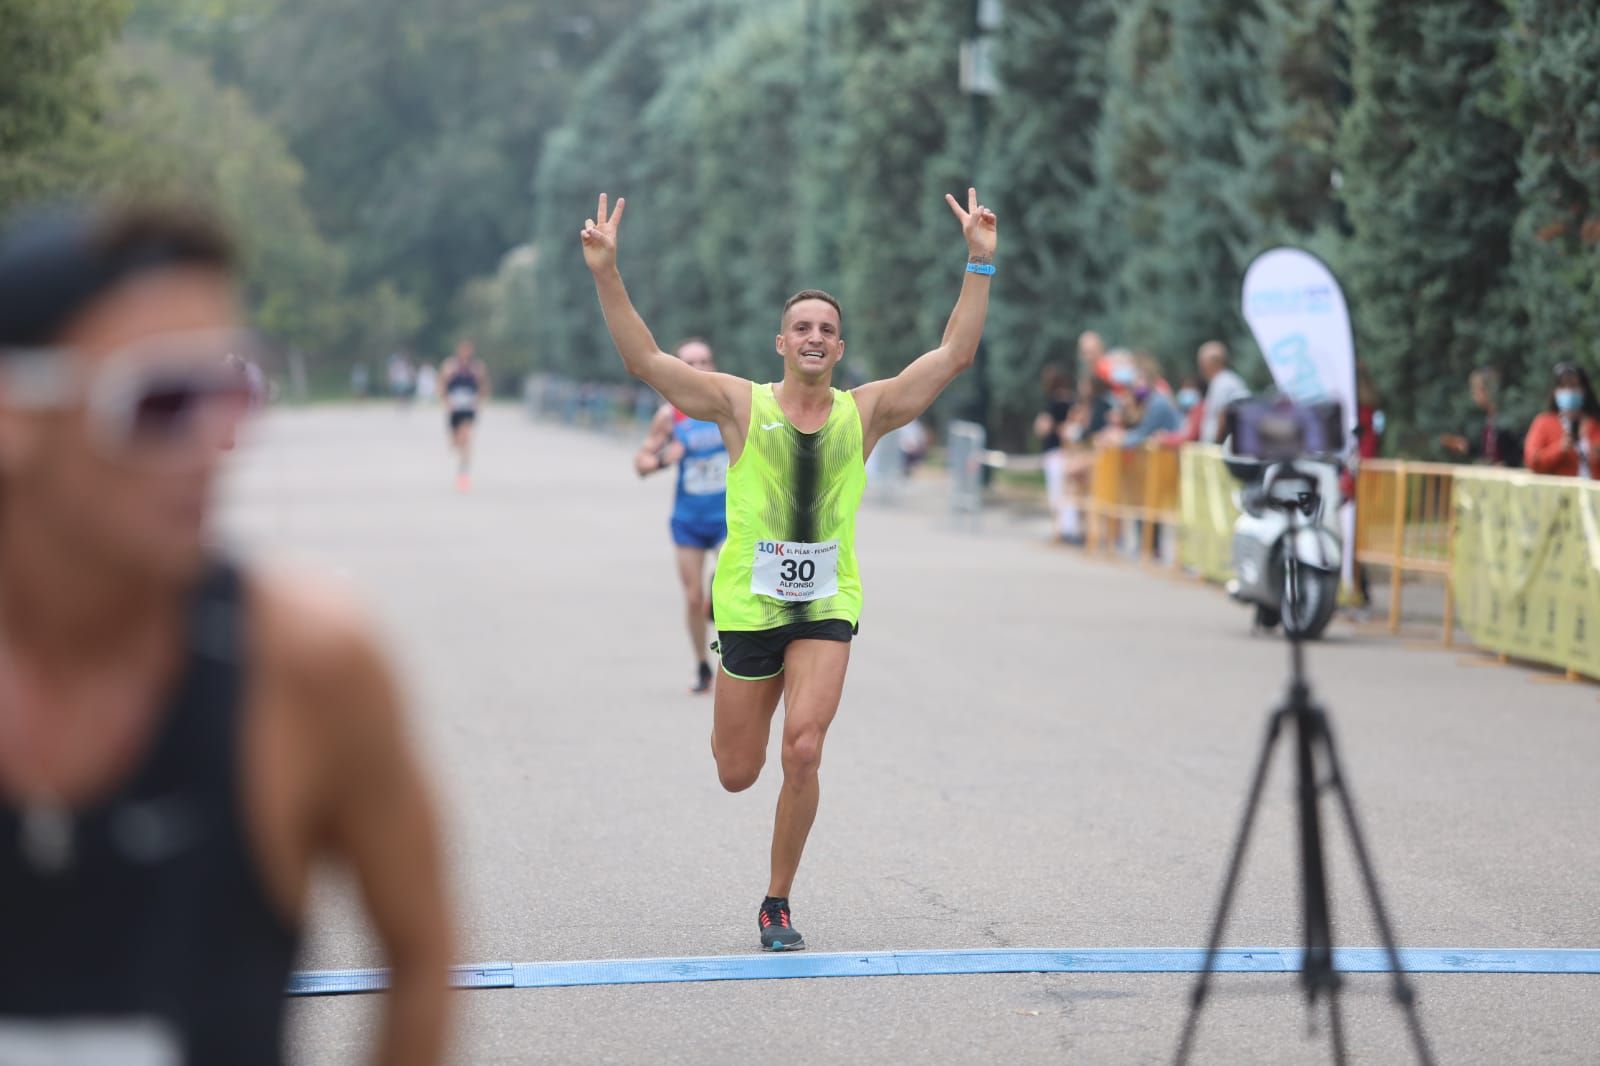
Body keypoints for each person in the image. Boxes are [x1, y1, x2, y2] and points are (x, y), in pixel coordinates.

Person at [0, 203, 451, 1064]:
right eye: (161, 402)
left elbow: (422, 952)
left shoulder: (309, 667)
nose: (215, 446)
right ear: (14, 417)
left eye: (230, 396)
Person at [582, 187, 996, 950]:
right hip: (745, 607)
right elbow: (645, 360)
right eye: (801, 327)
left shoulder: (865, 412)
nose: (814, 337)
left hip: (826, 605)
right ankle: (745, 748)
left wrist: (979, 262)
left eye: (827, 330)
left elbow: (954, 356)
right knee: (737, 772)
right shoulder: (738, 405)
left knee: (803, 747)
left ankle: (778, 899)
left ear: (839, 349)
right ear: (781, 343)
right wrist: (608, 271)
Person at [633, 338, 727, 695]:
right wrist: (660, 460)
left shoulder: (728, 407)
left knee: (725, 583)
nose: (698, 368)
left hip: (727, 517)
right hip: (688, 519)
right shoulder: (669, 415)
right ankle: (702, 666)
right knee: (691, 597)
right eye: (690, 362)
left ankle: (730, 659)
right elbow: (639, 463)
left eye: (704, 360)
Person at [1525, 361, 1600, 478]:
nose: (1569, 391)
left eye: (1574, 386)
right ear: (1555, 391)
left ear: (1584, 390)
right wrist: (1559, 449)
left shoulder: (1596, 424)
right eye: (1563, 386)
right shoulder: (1544, 423)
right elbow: (1532, 461)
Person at [1440, 367, 1521, 467]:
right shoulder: (1489, 418)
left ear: (1488, 390)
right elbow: (1488, 454)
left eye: (1475, 390)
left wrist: (1506, 464)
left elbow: (1518, 451)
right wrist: (1466, 447)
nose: (1473, 395)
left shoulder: (1507, 418)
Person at [439, 339, 489, 491]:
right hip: (455, 408)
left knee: (465, 437)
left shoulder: (477, 367)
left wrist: (480, 401)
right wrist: (446, 401)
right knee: (456, 442)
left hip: (468, 407)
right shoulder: (450, 366)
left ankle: (463, 474)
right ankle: (457, 443)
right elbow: (442, 384)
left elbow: (483, 385)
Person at [1034, 364, 1076, 540]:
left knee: (1057, 492)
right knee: (1065, 491)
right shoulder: (1071, 400)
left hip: (1055, 451)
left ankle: (1061, 530)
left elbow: (1044, 426)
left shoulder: (1055, 403)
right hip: (1066, 451)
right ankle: (1066, 528)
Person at [1198, 340, 1250, 444]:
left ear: (1209, 364)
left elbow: (1223, 414)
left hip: (1224, 446)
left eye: (1201, 363)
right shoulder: (1227, 379)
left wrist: (1217, 442)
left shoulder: (1222, 383)